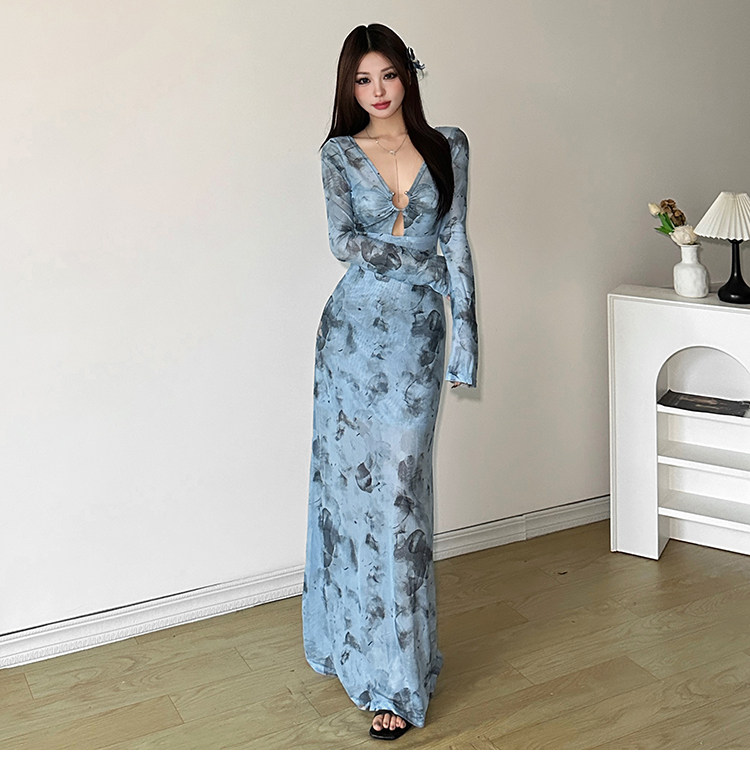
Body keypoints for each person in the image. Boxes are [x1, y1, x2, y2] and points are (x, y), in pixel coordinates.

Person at [302, 23, 478, 741]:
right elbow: (344, 242)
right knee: (352, 497)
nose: (377, 91)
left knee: (402, 500)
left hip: (416, 341)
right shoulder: (339, 153)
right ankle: (360, 655)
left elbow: (456, 238)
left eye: (388, 75)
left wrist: (467, 338)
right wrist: (421, 266)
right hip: (350, 338)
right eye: (362, 80)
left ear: (408, 74)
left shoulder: (449, 145)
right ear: (350, 87)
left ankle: (402, 675)